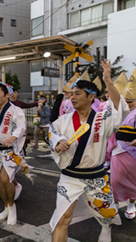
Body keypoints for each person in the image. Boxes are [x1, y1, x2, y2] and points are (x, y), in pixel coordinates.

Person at [49, 60, 127, 242]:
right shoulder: (64, 120)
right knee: (62, 219)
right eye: (71, 95)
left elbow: (118, 108)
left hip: (96, 177)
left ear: (91, 97)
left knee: (105, 212)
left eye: (77, 94)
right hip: (70, 177)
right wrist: (58, 141)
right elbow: (53, 132)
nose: (72, 98)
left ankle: (105, 227)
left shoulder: (102, 119)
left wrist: (108, 81)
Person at [0, 83, 29, 225]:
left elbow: (21, 126)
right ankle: (6, 207)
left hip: (11, 150)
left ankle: (12, 207)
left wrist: (14, 137)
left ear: (7, 95)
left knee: (5, 179)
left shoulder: (16, 110)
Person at [106, 68, 136, 219]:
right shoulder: (120, 110)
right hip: (117, 149)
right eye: (127, 101)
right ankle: (116, 203)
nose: (129, 104)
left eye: (131, 101)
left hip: (133, 151)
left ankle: (131, 203)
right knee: (115, 180)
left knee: (133, 180)